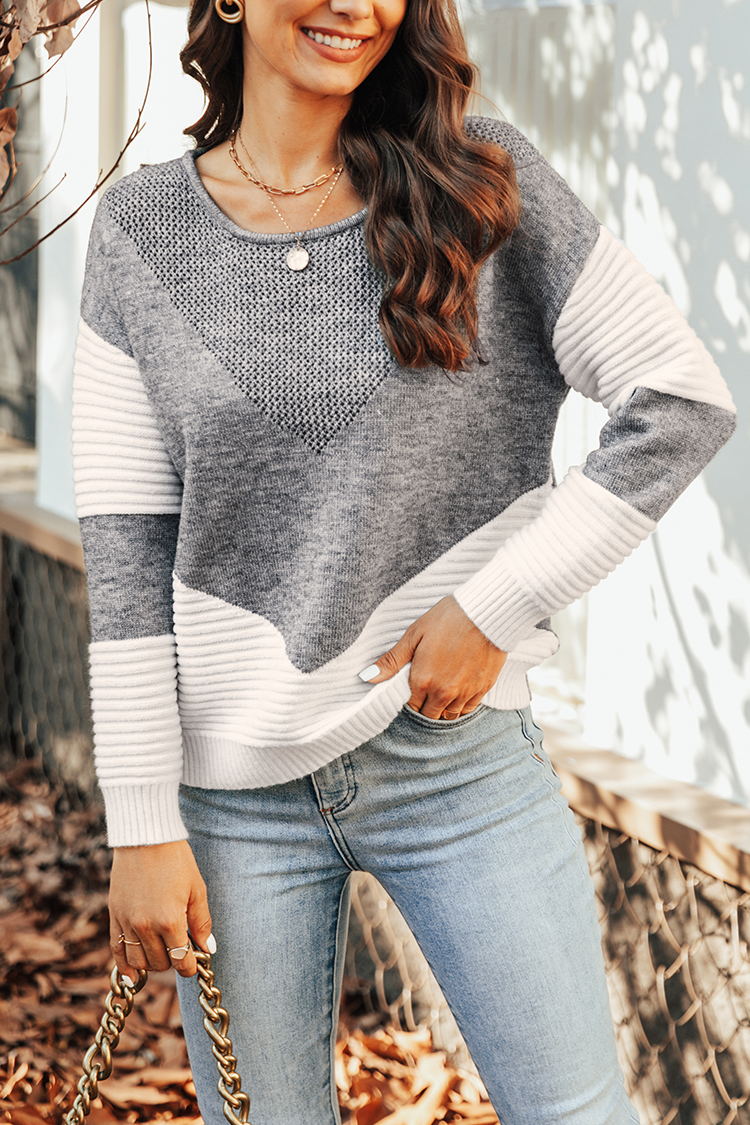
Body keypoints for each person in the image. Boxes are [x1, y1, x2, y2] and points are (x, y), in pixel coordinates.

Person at [71, 0, 736, 1118]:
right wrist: (141, 824)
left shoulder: (481, 184)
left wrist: (496, 605)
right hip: (231, 799)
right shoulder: (140, 234)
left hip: (455, 763)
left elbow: (679, 402)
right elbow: (128, 554)